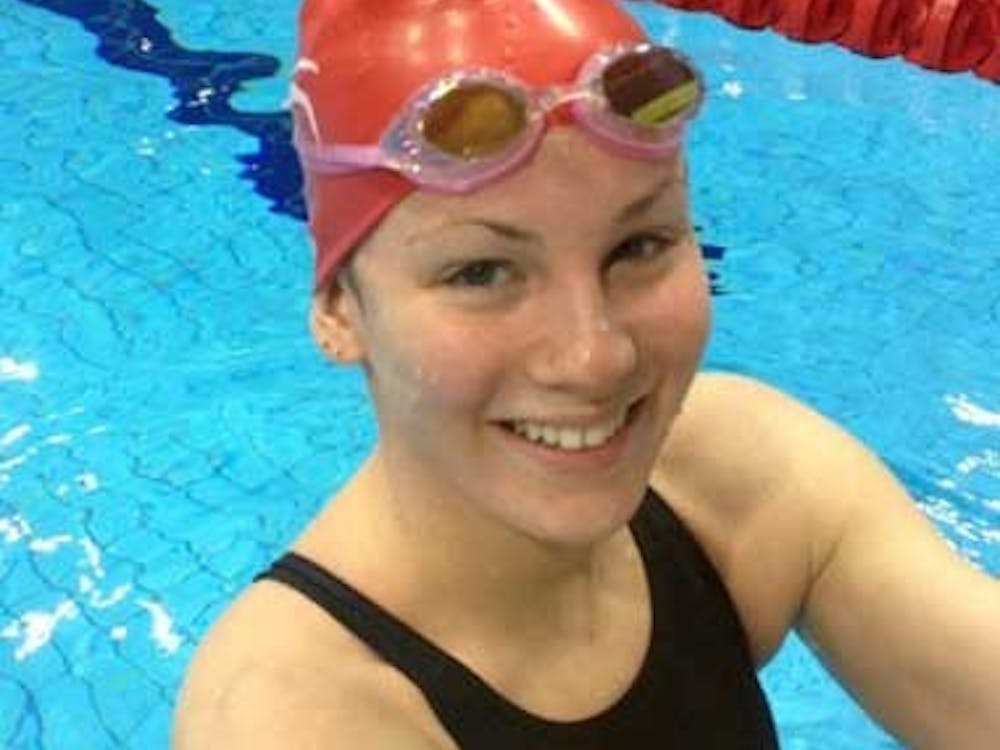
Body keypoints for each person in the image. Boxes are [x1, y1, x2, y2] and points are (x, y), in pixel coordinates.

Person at [173, 1, 1000, 747]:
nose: (595, 357)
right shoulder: (289, 714)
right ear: (339, 309)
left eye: (639, 246)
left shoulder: (744, 476)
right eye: (480, 272)